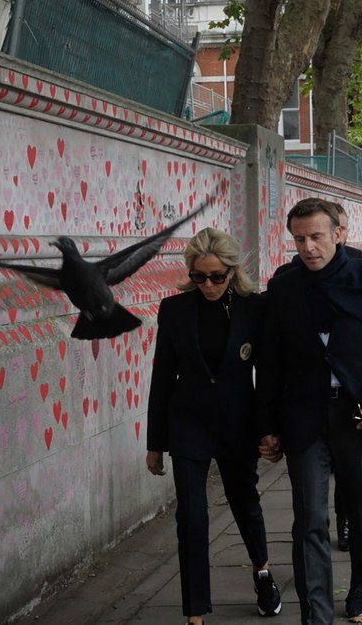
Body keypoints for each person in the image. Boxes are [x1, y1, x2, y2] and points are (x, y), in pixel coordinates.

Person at [256, 198, 362, 623]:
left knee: (360, 512)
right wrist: (265, 425)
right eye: (299, 239)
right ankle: (316, 614)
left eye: (316, 237)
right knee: (309, 521)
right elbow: (269, 362)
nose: (308, 247)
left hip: (358, 416)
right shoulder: (283, 288)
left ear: (339, 233)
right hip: (303, 417)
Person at [146, 227, 280, 624]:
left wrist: (268, 428)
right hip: (188, 424)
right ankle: (195, 613)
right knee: (191, 517)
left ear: (233, 272)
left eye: (217, 277)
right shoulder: (173, 310)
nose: (208, 285)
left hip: (238, 424)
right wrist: (155, 442)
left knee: (245, 504)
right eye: (199, 276)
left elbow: (267, 376)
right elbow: (161, 377)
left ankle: (263, 571)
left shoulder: (254, 308)